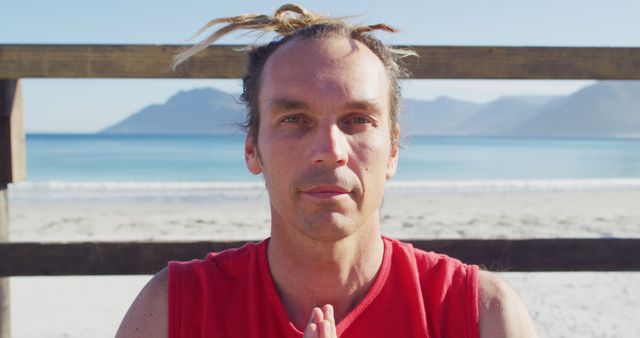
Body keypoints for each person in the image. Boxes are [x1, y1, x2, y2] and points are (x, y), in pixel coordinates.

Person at [116, 4, 538, 338]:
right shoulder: (174, 308)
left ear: (392, 150)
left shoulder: (481, 313)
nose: (329, 151)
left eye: (357, 119)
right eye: (294, 119)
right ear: (252, 149)